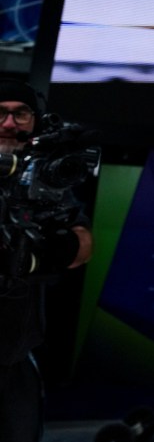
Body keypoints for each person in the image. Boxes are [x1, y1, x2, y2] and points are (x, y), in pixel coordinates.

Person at [0, 80, 94, 442]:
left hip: (17, 360)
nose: (10, 123)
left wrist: (46, 251)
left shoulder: (46, 182)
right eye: (1, 113)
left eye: (21, 113)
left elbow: (83, 246)